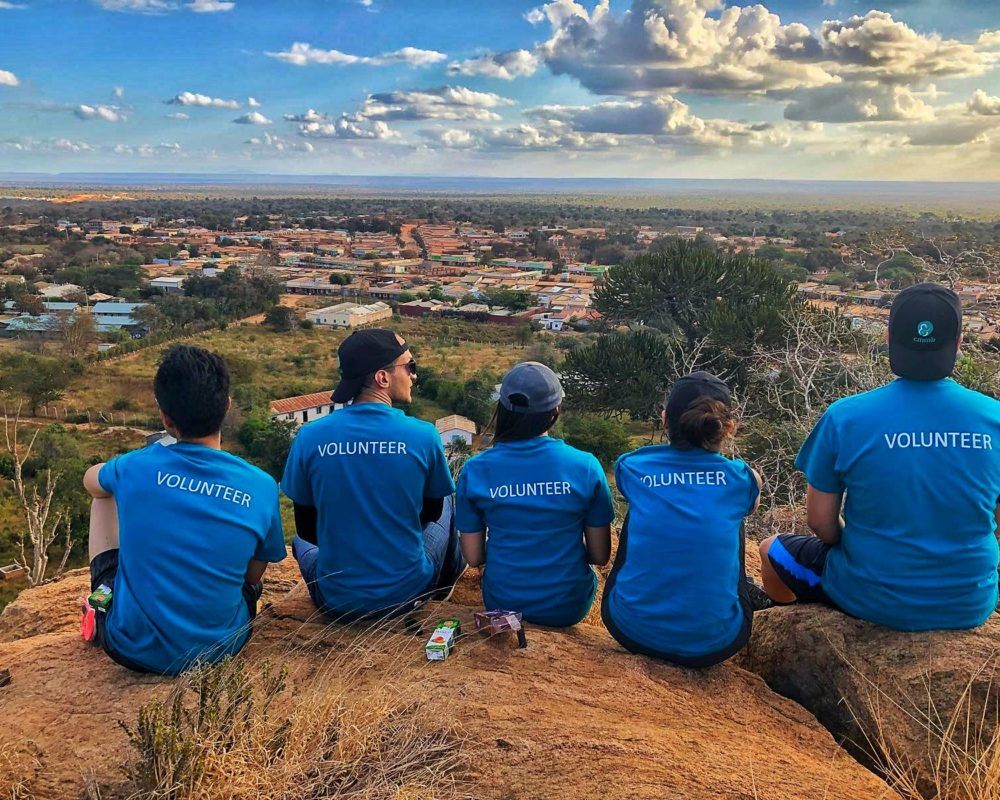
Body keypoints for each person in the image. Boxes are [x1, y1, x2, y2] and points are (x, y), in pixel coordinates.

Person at [760, 283, 1000, 631]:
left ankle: (777, 622)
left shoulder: (846, 417)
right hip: (968, 603)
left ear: (888, 338)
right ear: (959, 342)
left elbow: (820, 523)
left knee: (770, 548)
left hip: (869, 596)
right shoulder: (994, 418)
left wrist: (858, 549)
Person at [82, 345, 286, 676]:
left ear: (165, 417)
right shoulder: (260, 485)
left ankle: (101, 600)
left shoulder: (135, 466)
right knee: (246, 583)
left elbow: (91, 482)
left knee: (103, 496)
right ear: (227, 406)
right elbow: (252, 575)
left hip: (132, 647)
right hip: (222, 646)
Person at [282, 329, 464, 621]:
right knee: (447, 499)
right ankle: (445, 583)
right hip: (407, 593)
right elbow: (430, 513)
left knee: (298, 541)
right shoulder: (423, 436)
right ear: (383, 377)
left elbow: (306, 529)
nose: (414, 376)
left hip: (335, 598)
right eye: (410, 367)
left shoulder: (309, 437)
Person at [602, 371, 765, 667]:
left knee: (645, 506)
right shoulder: (744, 479)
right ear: (727, 428)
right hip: (716, 642)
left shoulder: (632, 467)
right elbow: (750, 507)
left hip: (631, 628)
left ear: (665, 419)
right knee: (731, 511)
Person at [455, 362, 614, 627]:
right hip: (569, 607)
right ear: (555, 411)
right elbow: (599, 556)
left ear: (503, 409)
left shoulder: (475, 470)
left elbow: (473, 557)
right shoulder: (585, 466)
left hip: (502, 601)